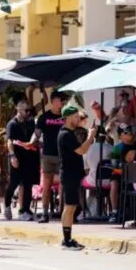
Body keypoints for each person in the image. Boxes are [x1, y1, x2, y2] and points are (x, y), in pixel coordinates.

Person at [57, 105, 96, 250]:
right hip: (69, 174)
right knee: (69, 206)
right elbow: (82, 150)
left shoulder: (70, 133)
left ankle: (68, 238)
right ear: (67, 118)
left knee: (72, 206)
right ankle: (66, 240)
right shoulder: (65, 134)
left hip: (72, 174)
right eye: (75, 117)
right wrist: (91, 136)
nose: (77, 119)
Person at [31, 91, 66, 223]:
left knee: (64, 184)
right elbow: (37, 133)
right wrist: (32, 141)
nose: (61, 102)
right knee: (47, 184)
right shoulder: (44, 117)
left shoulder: (65, 116)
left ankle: (62, 212)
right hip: (48, 155)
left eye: (62, 100)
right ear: (53, 101)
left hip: (62, 155)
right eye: (59, 100)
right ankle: (45, 213)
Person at [4, 97, 37, 221]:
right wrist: (12, 156)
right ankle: (7, 204)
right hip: (16, 157)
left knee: (27, 184)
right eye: (23, 108)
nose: (25, 111)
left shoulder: (29, 123)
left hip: (28, 157)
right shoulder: (12, 124)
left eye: (26, 108)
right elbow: (9, 141)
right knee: (13, 183)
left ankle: (25, 210)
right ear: (17, 108)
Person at [108, 124, 136, 223]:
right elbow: (114, 165)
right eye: (126, 132)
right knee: (114, 182)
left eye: (131, 131)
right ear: (120, 136)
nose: (130, 134)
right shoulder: (117, 148)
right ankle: (114, 210)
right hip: (121, 173)